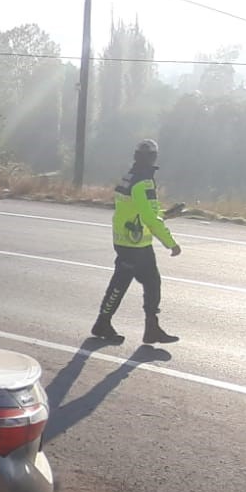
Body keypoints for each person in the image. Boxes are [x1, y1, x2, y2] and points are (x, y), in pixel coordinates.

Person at [91, 139, 182, 344]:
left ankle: (150, 328)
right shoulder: (144, 182)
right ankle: (104, 323)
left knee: (147, 282)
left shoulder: (130, 176)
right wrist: (171, 243)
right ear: (153, 158)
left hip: (131, 240)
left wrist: (165, 214)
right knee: (123, 284)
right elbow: (149, 218)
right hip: (134, 243)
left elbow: (141, 210)